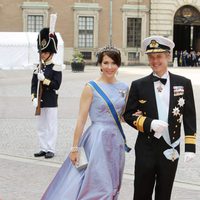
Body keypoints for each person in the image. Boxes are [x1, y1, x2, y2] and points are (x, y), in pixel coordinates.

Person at [41, 45, 130, 199]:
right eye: (106, 63)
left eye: (113, 63)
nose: (110, 67)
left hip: (116, 141)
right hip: (96, 140)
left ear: (119, 65)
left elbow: (122, 117)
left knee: (113, 182)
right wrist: (74, 148)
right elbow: (81, 119)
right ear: (100, 64)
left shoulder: (124, 88)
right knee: (96, 183)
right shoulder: (91, 88)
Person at [123, 36, 196, 200]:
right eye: (151, 57)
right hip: (146, 148)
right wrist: (149, 123)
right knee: (142, 193)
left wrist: (190, 147)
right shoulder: (138, 84)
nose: (155, 61)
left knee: (164, 193)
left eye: (159, 57)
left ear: (168, 56)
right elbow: (128, 115)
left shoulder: (183, 83)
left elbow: (190, 117)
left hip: (170, 148)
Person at [31, 27, 62, 159]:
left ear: (51, 53)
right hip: (39, 101)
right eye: (41, 52)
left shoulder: (56, 66)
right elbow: (33, 84)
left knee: (51, 126)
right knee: (40, 126)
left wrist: (45, 80)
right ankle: (43, 148)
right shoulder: (38, 66)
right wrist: (33, 97)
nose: (42, 54)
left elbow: (56, 85)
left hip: (50, 100)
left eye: (45, 52)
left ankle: (51, 148)